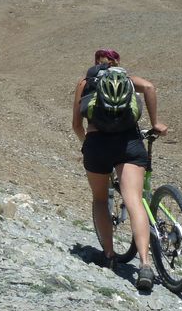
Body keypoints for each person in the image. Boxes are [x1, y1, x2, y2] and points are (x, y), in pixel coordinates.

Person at [72, 49, 168, 290]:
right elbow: (150, 87)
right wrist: (155, 123)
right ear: (117, 63)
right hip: (129, 143)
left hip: (97, 145)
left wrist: (88, 143)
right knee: (134, 200)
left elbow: (76, 124)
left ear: (95, 62)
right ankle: (145, 265)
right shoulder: (127, 79)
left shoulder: (86, 83)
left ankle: (109, 255)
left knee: (100, 199)